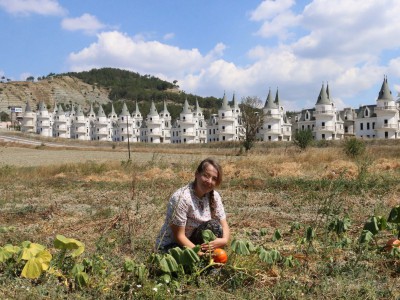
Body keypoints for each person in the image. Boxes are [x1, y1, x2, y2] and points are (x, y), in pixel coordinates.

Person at [155, 157, 230, 254]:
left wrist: (224, 240)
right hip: (173, 246)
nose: (209, 181)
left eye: (214, 179)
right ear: (197, 174)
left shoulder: (214, 196)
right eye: (206, 176)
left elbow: (224, 225)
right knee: (185, 264)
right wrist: (201, 254)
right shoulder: (181, 198)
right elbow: (179, 236)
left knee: (214, 226)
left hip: (193, 243)